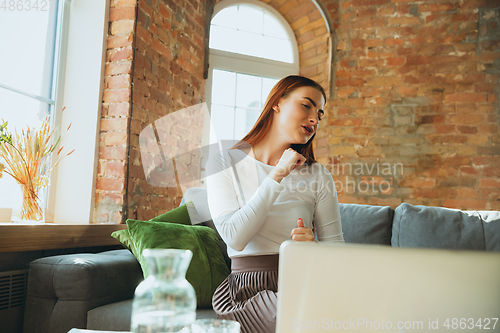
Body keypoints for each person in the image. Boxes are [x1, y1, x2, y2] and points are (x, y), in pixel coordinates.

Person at [205, 75, 344, 333]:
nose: (314, 119)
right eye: (307, 105)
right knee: (299, 316)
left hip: (303, 279)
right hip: (246, 290)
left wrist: (313, 248)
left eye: (319, 113)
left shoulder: (318, 175)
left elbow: (336, 249)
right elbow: (235, 237)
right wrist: (278, 173)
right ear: (276, 103)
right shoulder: (223, 163)